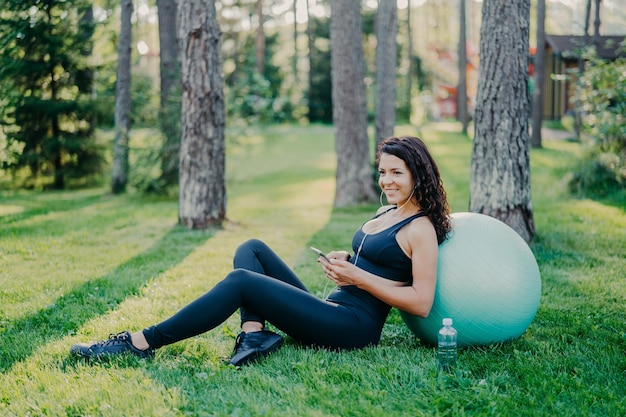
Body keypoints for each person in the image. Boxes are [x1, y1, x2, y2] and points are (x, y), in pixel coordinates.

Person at [71, 136, 452, 366]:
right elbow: (380, 258)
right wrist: (348, 259)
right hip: (333, 308)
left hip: (352, 327)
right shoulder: (390, 210)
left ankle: (141, 342)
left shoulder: (420, 228)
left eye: (397, 173)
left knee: (241, 281)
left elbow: (420, 302)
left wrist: (357, 277)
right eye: (383, 172)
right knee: (251, 249)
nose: (386, 181)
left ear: (418, 175)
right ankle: (253, 334)